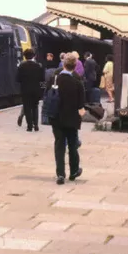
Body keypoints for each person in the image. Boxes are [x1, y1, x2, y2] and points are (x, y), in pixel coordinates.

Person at [52, 52, 85, 185]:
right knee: (72, 145)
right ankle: (74, 171)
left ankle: (60, 174)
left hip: (57, 117)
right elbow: (81, 103)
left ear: (64, 64)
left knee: (59, 145)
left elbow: (46, 92)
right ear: (75, 65)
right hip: (72, 117)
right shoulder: (77, 81)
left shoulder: (54, 79)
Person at [16, 48, 44, 131]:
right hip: (36, 90)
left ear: (24, 56)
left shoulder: (21, 66)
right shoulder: (38, 66)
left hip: (25, 90)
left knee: (27, 108)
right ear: (34, 56)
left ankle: (29, 126)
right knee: (35, 107)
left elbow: (18, 79)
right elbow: (42, 79)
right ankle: (36, 125)